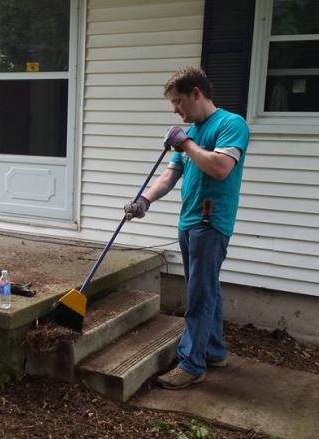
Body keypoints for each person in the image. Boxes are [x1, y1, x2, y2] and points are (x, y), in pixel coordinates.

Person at [124, 66, 249, 390]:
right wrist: (144, 201)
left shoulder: (231, 124)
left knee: (199, 294)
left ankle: (191, 364)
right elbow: (169, 176)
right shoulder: (191, 133)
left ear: (196, 93)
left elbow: (221, 168)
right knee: (206, 289)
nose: (175, 110)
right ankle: (213, 351)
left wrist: (187, 144)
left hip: (211, 222)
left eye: (178, 101)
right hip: (190, 220)